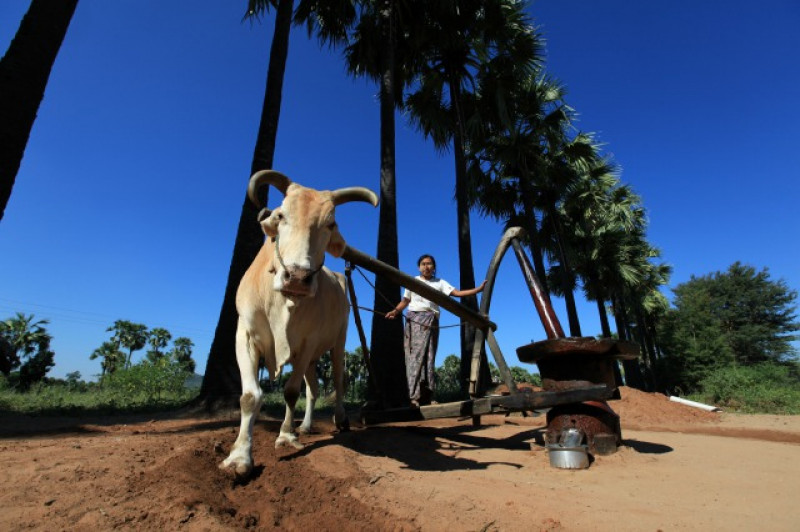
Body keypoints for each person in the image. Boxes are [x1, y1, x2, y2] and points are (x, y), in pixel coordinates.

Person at [385, 254, 487, 407]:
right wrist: (395, 311)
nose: (426, 266)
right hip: (415, 320)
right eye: (423, 264)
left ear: (434, 267)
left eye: (429, 264)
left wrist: (478, 290)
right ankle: (413, 397)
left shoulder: (440, 283)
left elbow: (457, 293)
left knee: (429, 358)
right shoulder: (412, 282)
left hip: (431, 321)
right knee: (415, 358)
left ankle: (427, 396)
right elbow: (405, 301)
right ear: (419, 267)